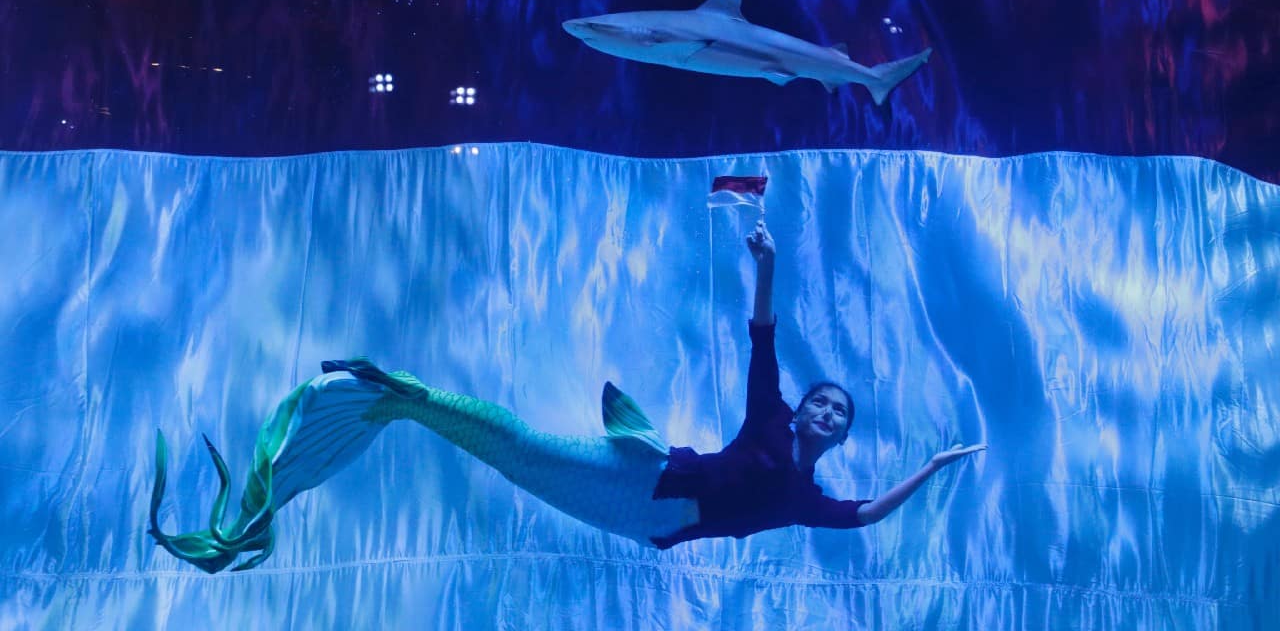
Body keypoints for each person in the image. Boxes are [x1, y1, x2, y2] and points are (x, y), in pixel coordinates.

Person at [149, 219, 985, 573]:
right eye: (824, 402)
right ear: (803, 408)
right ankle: (396, 396)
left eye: (841, 415)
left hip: (650, 522)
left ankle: (398, 402)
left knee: (517, 461)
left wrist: (936, 466)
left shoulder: (810, 498)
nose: (827, 413)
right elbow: (762, 334)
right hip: (648, 473)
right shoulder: (769, 413)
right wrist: (766, 264)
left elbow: (868, 515)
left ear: (838, 437)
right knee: (518, 448)